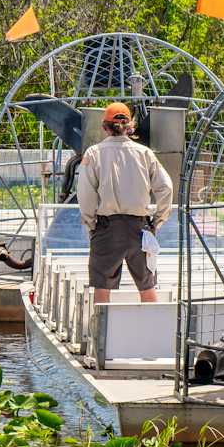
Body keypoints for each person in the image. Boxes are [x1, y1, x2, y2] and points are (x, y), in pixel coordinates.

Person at [76, 101, 174, 304]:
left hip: (106, 227)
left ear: (104, 127)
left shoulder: (94, 153)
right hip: (140, 228)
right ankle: (152, 330)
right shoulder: (145, 153)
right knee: (147, 285)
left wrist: (91, 224)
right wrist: (157, 221)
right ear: (130, 126)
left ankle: (101, 333)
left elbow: (85, 194)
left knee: (102, 286)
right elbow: (166, 188)